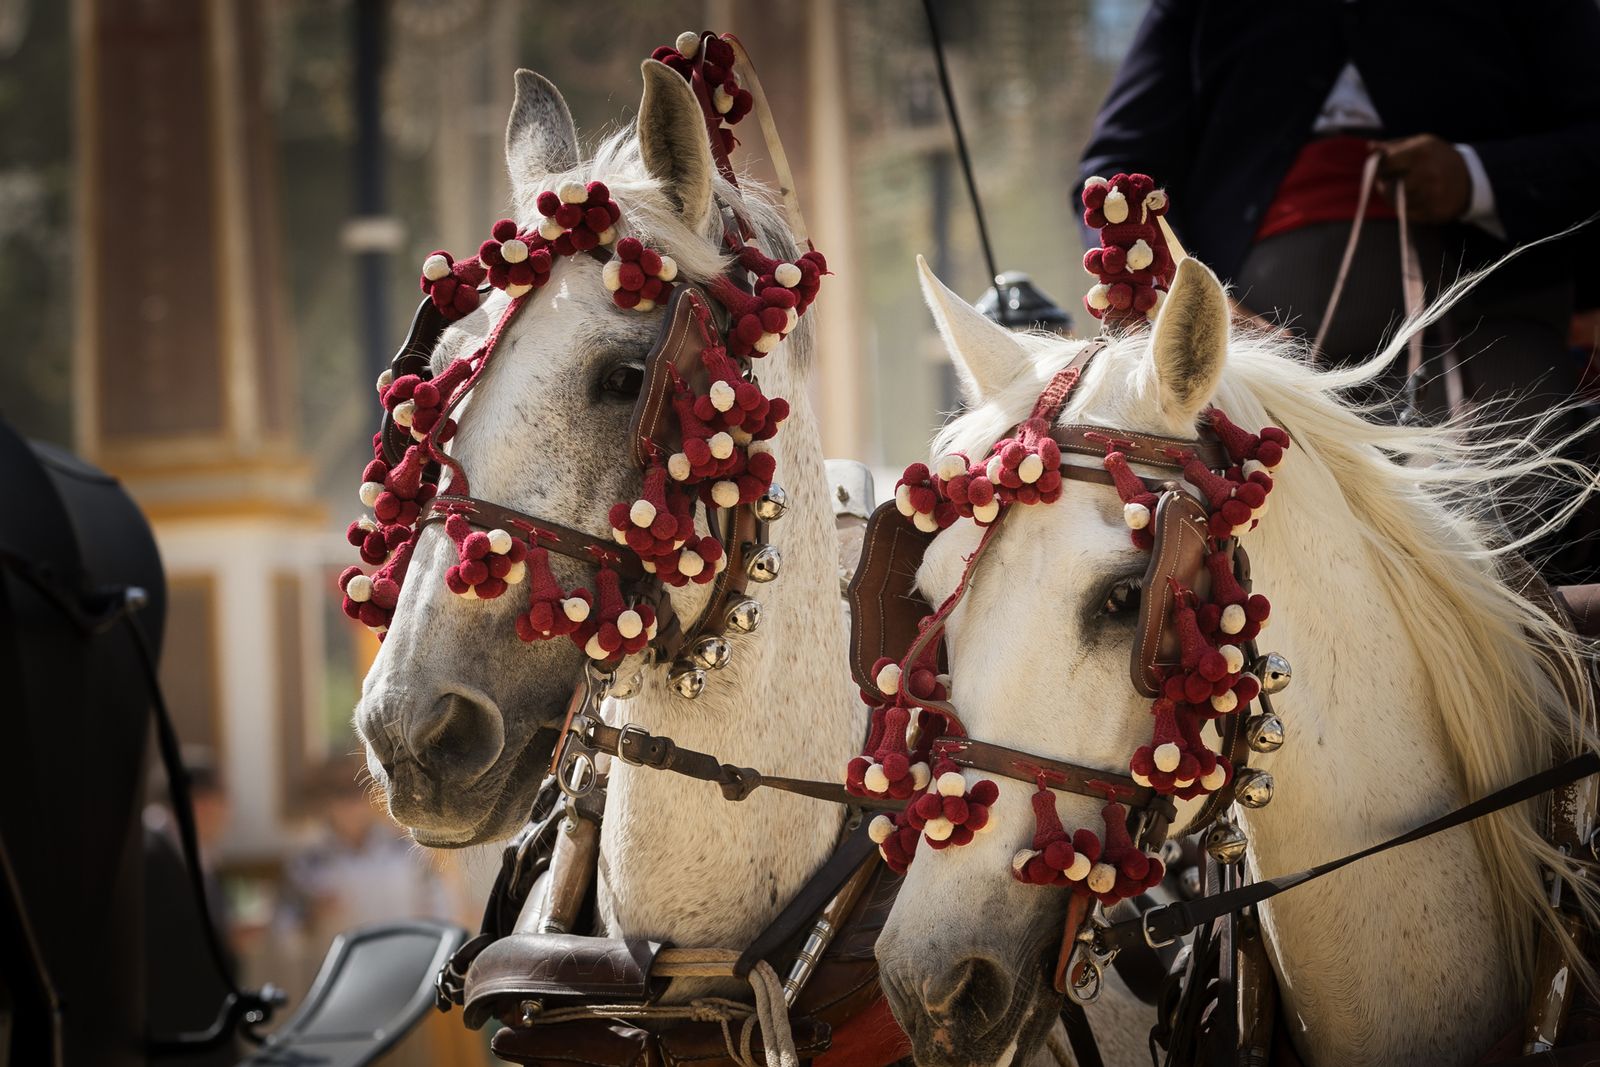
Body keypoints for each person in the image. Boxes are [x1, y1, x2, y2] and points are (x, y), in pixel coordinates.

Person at [1077, 0, 1600, 583]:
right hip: (1251, 324)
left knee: (1514, 529)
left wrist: (1476, 176)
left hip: (1488, 304)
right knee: (1212, 547)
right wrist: (1188, 293)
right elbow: (1114, 173)